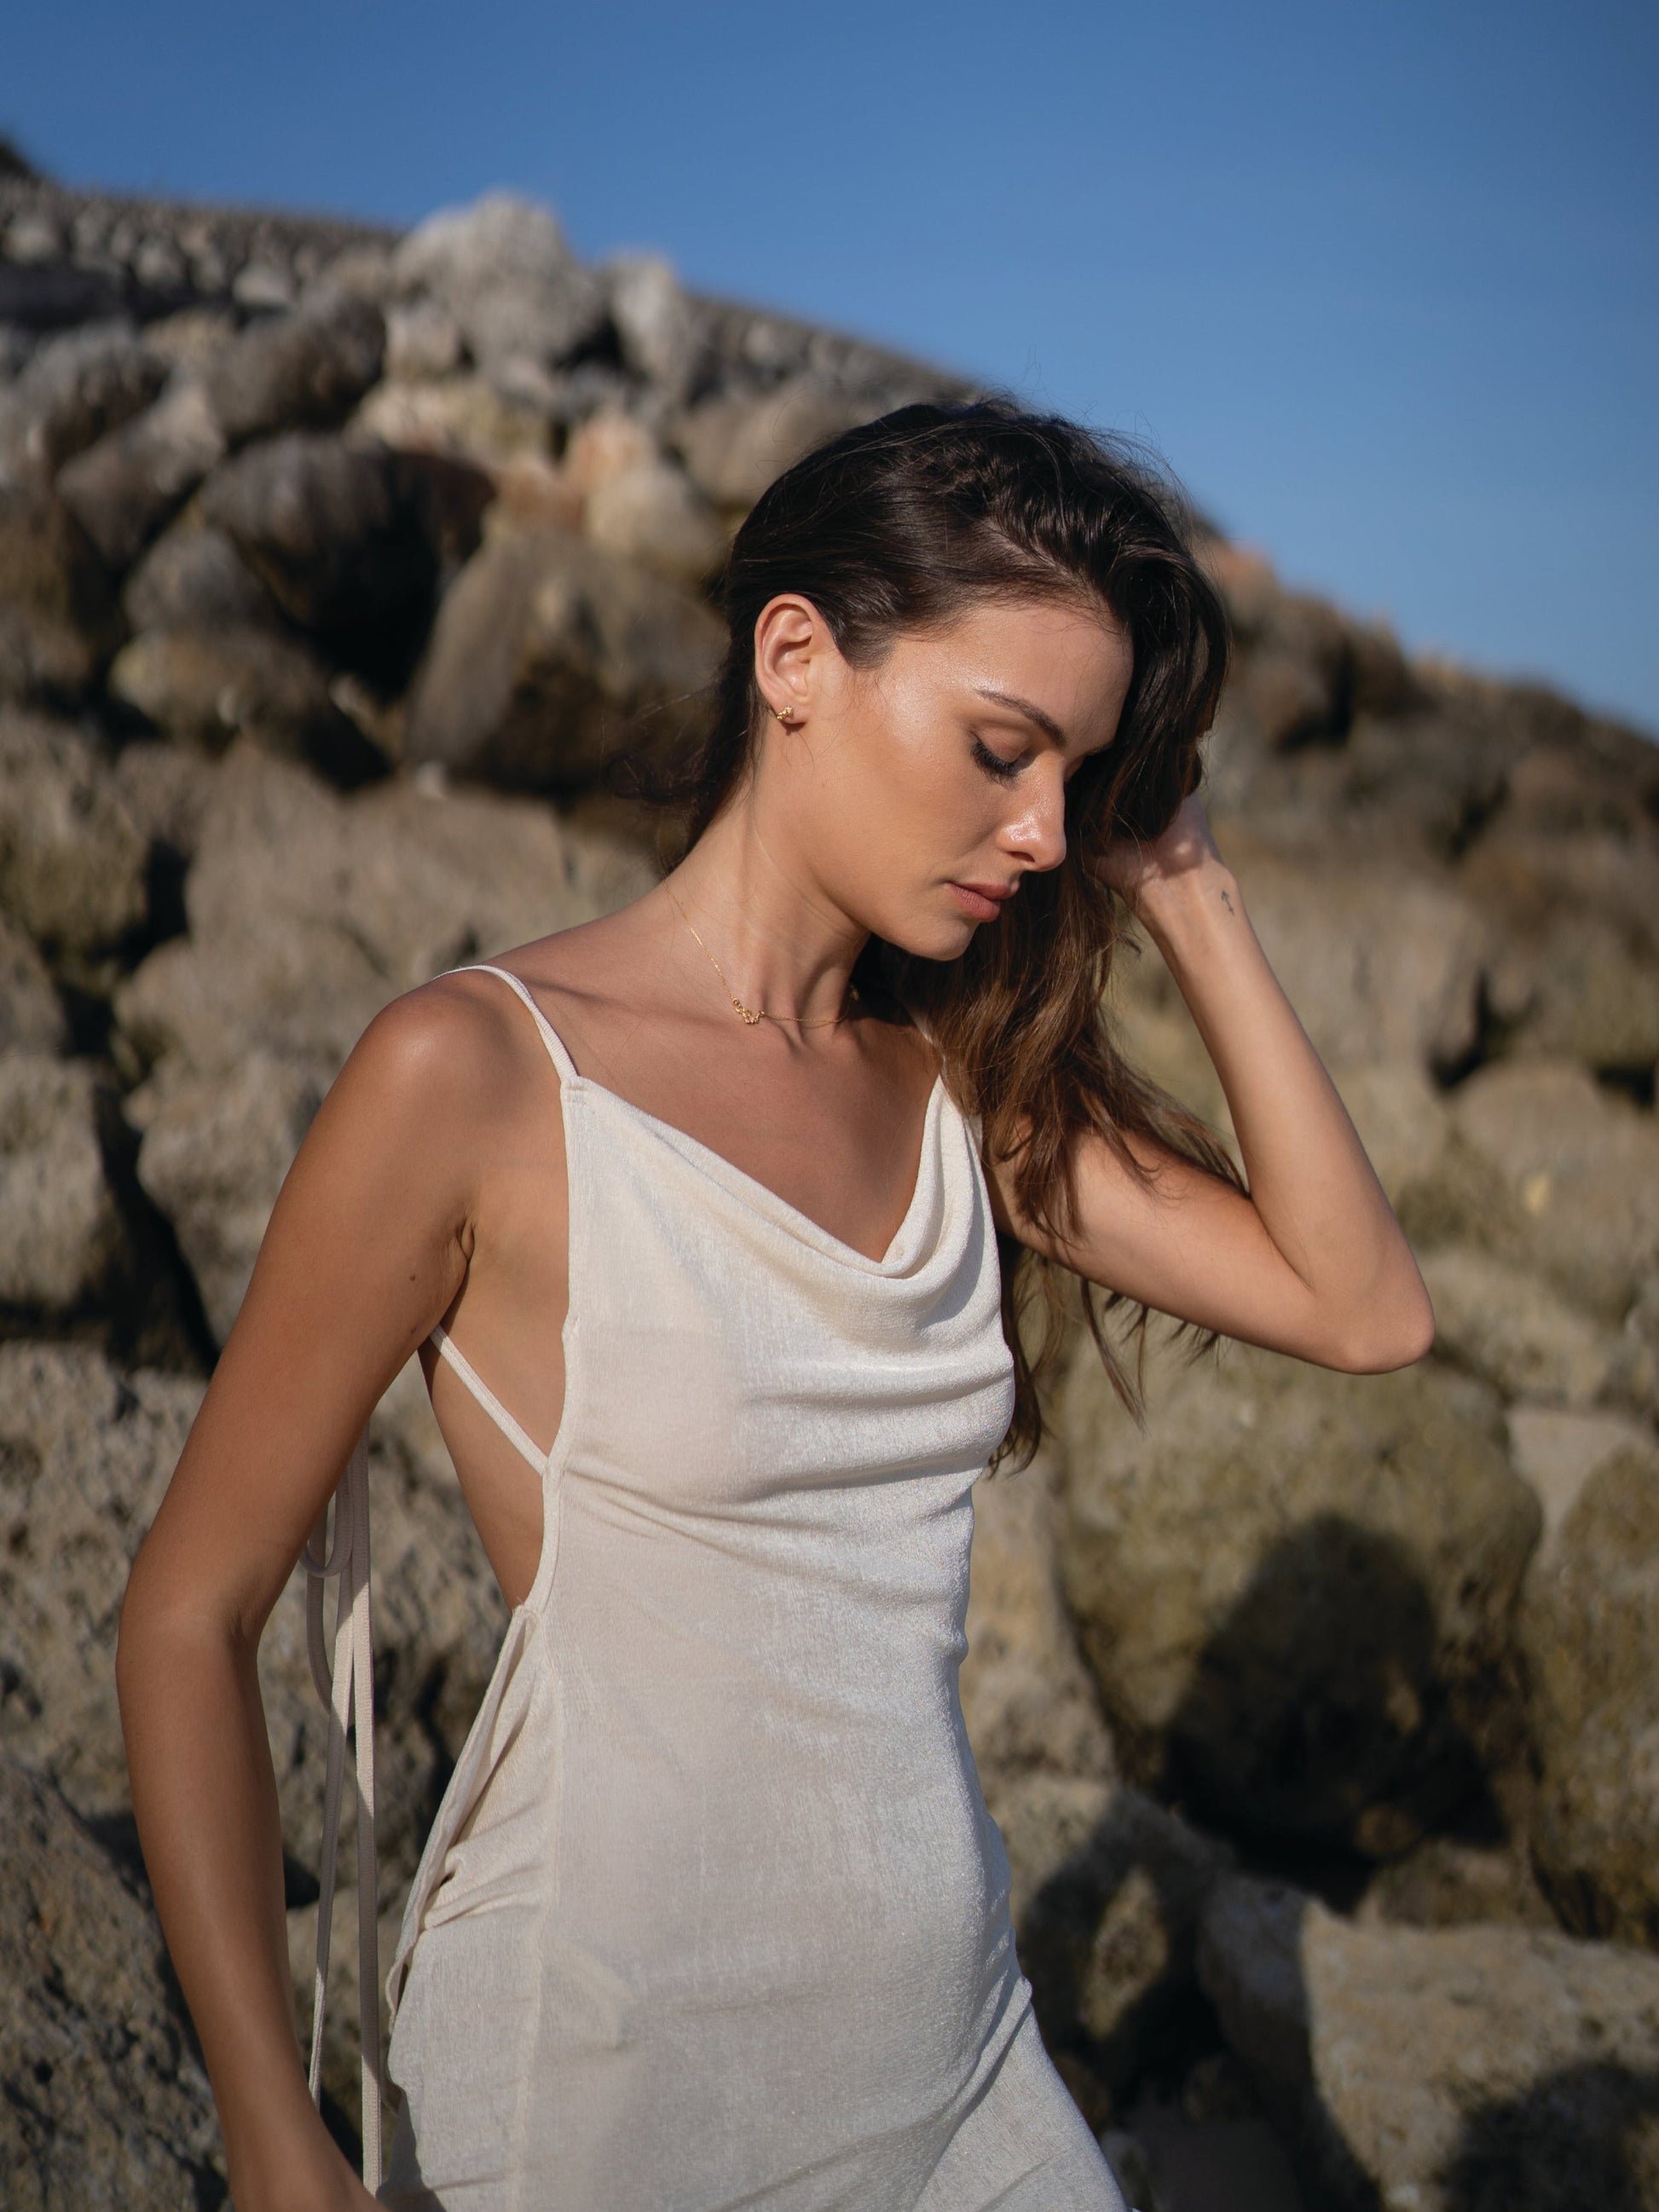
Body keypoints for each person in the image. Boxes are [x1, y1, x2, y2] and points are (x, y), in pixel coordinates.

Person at [117, 399, 1435, 2212]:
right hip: (612, 2095)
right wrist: (275, 2137)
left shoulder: (965, 1088)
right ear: (795, 657)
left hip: (965, 2069)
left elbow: (1363, 1309)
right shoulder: (480, 1078)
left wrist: (1189, 881)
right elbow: (188, 1611)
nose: (1044, 830)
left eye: (1079, 773)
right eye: (997, 747)